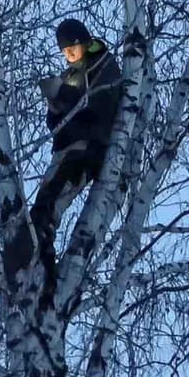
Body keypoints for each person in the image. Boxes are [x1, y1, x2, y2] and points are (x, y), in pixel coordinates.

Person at [25, 17, 125, 282]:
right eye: (64, 52)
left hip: (86, 148)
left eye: (71, 49)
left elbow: (99, 108)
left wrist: (67, 100)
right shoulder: (70, 74)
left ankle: (40, 249)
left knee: (54, 195)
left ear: (83, 42)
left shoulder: (103, 65)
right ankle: (36, 247)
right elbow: (55, 122)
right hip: (68, 146)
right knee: (46, 196)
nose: (68, 55)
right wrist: (56, 103)